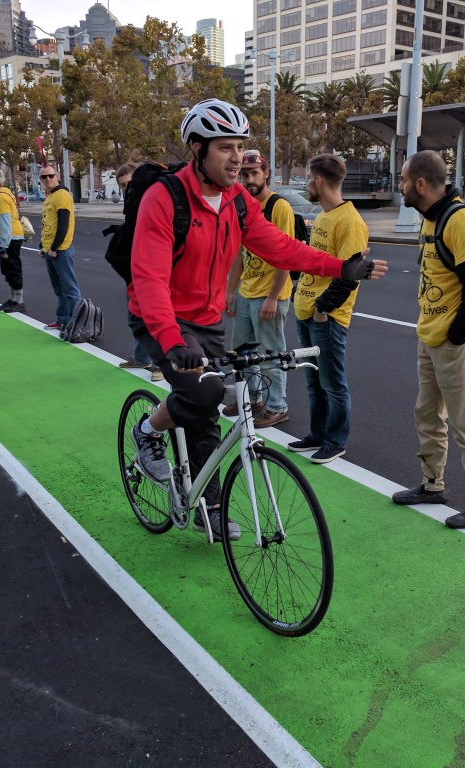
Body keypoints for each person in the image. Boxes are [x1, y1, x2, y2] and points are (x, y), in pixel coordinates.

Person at [127, 98, 386, 542]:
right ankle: (148, 430)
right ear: (197, 148)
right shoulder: (164, 197)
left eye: (241, 146)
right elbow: (148, 277)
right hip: (162, 318)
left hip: (206, 321)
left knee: (206, 413)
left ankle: (208, 505)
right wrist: (171, 341)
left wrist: (340, 267)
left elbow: (282, 247)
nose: (237, 157)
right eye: (225, 147)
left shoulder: (237, 202)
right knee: (205, 394)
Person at [391, 149, 465, 529]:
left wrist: (455, 335)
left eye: (403, 180)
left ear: (420, 184)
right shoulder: (430, 219)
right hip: (431, 338)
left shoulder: (460, 220)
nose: (400, 187)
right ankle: (432, 484)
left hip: (460, 343)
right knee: (427, 415)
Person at [289, 154, 370, 465]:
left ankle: (335, 441)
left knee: (332, 382)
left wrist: (323, 308)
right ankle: (318, 434)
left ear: (318, 181)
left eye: (309, 178)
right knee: (313, 379)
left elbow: (351, 274)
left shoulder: (350, 221)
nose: (308, 184)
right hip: (306, 310)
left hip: (327, 316)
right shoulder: (323, 216)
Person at [224, 148, 294, 428]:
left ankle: (277, 405)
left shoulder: (279, 207)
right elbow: (240, 253)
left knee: (271, 353)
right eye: (244, 174)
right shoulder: (242, 206)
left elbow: (285, 255)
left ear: (266, 174)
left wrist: (273, 297)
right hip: (247, 291)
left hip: (269, 294)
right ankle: (254, 398)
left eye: (254, 173)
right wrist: (231, 290)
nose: (249, 179)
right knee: (241, 351)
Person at [113, 162, 163, 382]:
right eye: (123, 186)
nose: (127, 188)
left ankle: (163, 364)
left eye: (130, 183)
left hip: (155, 268)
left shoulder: (154, 198)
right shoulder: (131, 202)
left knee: (158, 315)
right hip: (135, 267)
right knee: (135, 314)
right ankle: (141, 357)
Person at [37, 163, 82, 330]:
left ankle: (76, 322)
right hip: (51, 250)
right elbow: (48, 222)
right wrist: (43, 245)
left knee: (70, 289)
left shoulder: (61, 194)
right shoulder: (50, 196)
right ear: (40, 179)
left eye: (51, 176)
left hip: (61, 250)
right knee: (59, 289)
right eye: (44, 177)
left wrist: (55, 247)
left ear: (57, 176)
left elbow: (64, 223)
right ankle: (63, 319)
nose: (48, 179)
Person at [0, 168, 26, 313]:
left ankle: (19, 300)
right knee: (8, 270)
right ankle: (13, 298)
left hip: (10, 238)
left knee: (13, 268)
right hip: (10, 237)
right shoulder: (4, 195)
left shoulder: (1, 198)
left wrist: (3, 245)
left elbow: (5, 222)